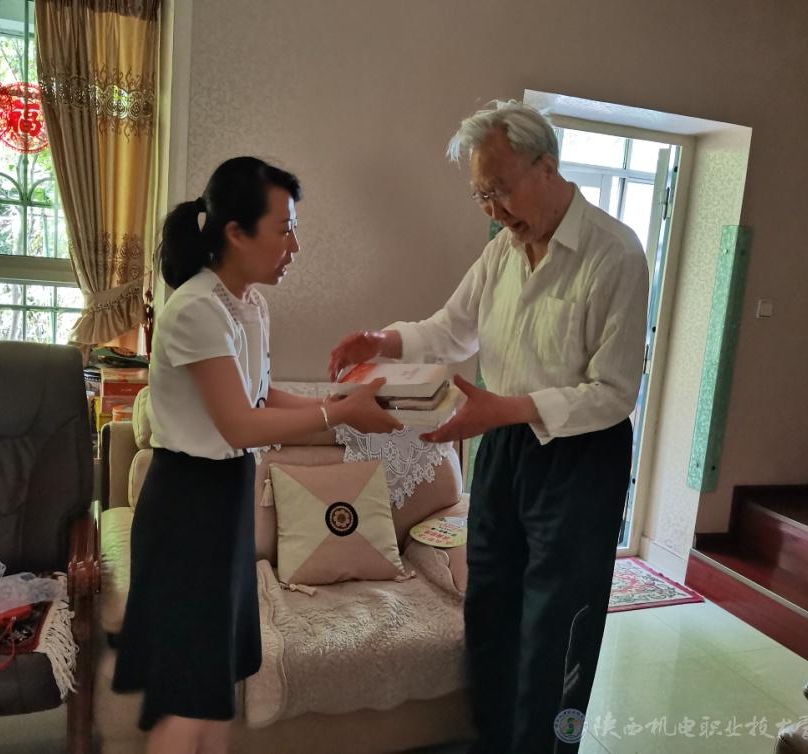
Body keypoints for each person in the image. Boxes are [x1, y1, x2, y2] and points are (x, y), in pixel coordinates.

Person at [328, 101, 649, 753]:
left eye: (499, 189)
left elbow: (614, 393)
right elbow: (452, 329)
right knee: (491, 607)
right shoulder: (501, 252)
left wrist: (507, 409)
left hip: (580, 459)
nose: (492, 209)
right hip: (504, 447)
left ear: (546, 167)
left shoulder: (614, 253)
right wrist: (384, 341)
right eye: (481, 195)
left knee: (558, 627)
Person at [112, 156, 401, 754]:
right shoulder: (196, 308)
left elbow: (261, 395)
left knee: (215, 686)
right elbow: (241, 424)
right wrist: (342, 414)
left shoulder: (247, 304)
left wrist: (342, 400)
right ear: (236, 233)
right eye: (285, 229)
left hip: (225, 499)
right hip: (188, 508)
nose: (295, 245)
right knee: (187, 698)